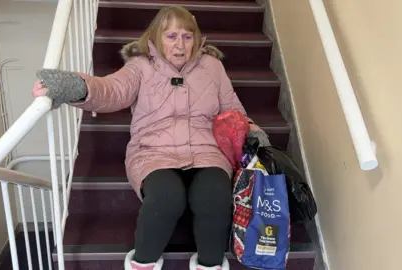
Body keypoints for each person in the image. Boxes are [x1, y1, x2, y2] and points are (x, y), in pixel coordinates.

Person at [32, 5, 270, 270]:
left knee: (214, 198)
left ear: (196, 39)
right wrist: (75, 86)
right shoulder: (140, 66)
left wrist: (254, 132)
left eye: (187, 36)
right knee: (167, 197)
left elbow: (232, 109)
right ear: (157, 37)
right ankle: (143, 263)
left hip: (207, 151)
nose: (180, 44)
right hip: (152, 151)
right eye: (171, 36)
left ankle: (210, 264)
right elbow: (112, 90)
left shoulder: (212, 67)